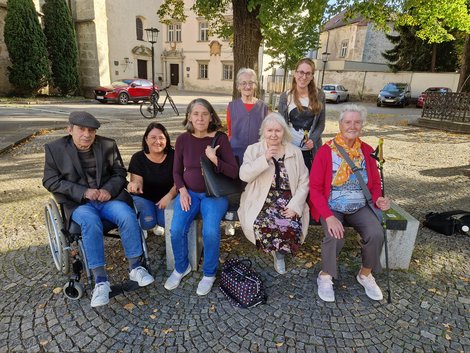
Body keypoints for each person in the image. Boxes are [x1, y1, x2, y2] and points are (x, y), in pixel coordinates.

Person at [43, 111, 154, 308]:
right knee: (90, 221)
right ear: (70, 129)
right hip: (79, 203)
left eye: (91, 131)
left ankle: (136, 267)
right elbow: (50, 181)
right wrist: (84, 192)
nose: (87, 134)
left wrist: (107, 190)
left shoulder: (107, 145)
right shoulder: (54, 149)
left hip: (107, 199)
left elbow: (120, 173)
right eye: (81, 129)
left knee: (127, 215)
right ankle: (101, 281)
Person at [309, 104, 391, 302]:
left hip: (359, 205)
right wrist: (328, 217)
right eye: (348, 122)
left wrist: (379, 199)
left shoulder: (368, 150)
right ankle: (326, 275)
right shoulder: (325, 151)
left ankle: (365, 274)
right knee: (334, 234)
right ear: (340, 124)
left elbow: (374, 184)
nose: (352, 126)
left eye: (356, 122)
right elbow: (315, 189)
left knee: (376, 233)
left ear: (362, 125)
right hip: (332, 205)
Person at [165, 98, 239, 295]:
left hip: (214, 195)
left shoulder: (220, 139)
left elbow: (233, 172)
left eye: (204, 114)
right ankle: (182, 267)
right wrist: (181, 191)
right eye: (196, 114)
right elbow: (176, 172)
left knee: (210, 232)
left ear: (211, 116)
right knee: (176, 229)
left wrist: (214, 158)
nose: (200, 118)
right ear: (189, 117)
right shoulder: (182, 139)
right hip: (189, 193)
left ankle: (209, 273)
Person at [238, 112, 310, 274]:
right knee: (262, 224)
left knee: (290, 224)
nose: (273, 134)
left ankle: (279, 253)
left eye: (277, 130)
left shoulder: (294, 152)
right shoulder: (254, 150)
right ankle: (273, 249)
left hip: (288, 199)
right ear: (263, 131)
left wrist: (296, 206)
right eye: (269, 130)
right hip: (261, 199)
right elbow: (244, 175)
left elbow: (304, 181)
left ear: (284, 131)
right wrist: (264, 158)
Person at [127, 122, 176, 234]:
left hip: (167, 197)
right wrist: (135, 185)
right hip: (145, 197)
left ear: (166, 140)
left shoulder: (174, 156)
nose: (157, 141)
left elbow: (179, 181)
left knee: (166, 221)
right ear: (146, 139)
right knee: (148, 222)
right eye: (153, 137)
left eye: (161, 138)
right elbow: (137, 181)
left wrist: (169, 196)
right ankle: (144, 222)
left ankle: (157, 219)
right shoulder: (138, 157)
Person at [278, 58, 326, 170]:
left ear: (312, 76)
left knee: (311, 183)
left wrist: (313, 139)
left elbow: (321, 124)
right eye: (301, 72)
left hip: (311, 151)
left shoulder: (320, 95)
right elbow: (281, 124)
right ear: (295, 73)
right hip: (290, 150)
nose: (304, 77)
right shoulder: (285, 97)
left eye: (308, 73)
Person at [227, 67, 269, 165]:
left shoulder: (263, 107)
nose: (247, 86)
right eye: (244, 83)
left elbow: (266, 132)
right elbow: (230, 132)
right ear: (238, 86)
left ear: (255, 85)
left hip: (258, 154)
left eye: (251, 83)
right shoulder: (232, 106)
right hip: (236, 154)